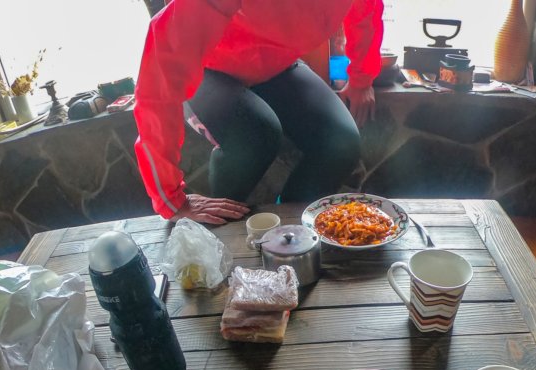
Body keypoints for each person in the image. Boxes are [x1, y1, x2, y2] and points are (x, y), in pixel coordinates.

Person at [134, 0, 384, 225]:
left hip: (277, 64)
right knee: (255, 136)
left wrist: (362, 79)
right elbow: (161, 67)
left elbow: (367, 10)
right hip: (211, 70)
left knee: (341, 143)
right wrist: (170, 199)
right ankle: (221, 230)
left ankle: (290, 228)